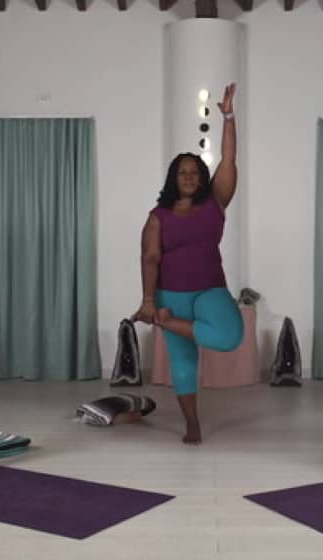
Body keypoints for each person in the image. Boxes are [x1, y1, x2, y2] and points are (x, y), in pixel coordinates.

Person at [131, 84, 243, 444]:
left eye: (195, 171)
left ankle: (170, 324)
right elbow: (150, 258)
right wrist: (149, 302)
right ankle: (191, 424)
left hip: (209, 288)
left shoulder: (216, 203)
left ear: (202, 177)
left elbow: (228, 161)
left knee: (230, 336)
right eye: (183, 172)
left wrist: (227, 116)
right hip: (170, 293)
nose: (191, 176)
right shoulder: (158, 216)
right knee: (183, 364)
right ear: (173, 179)